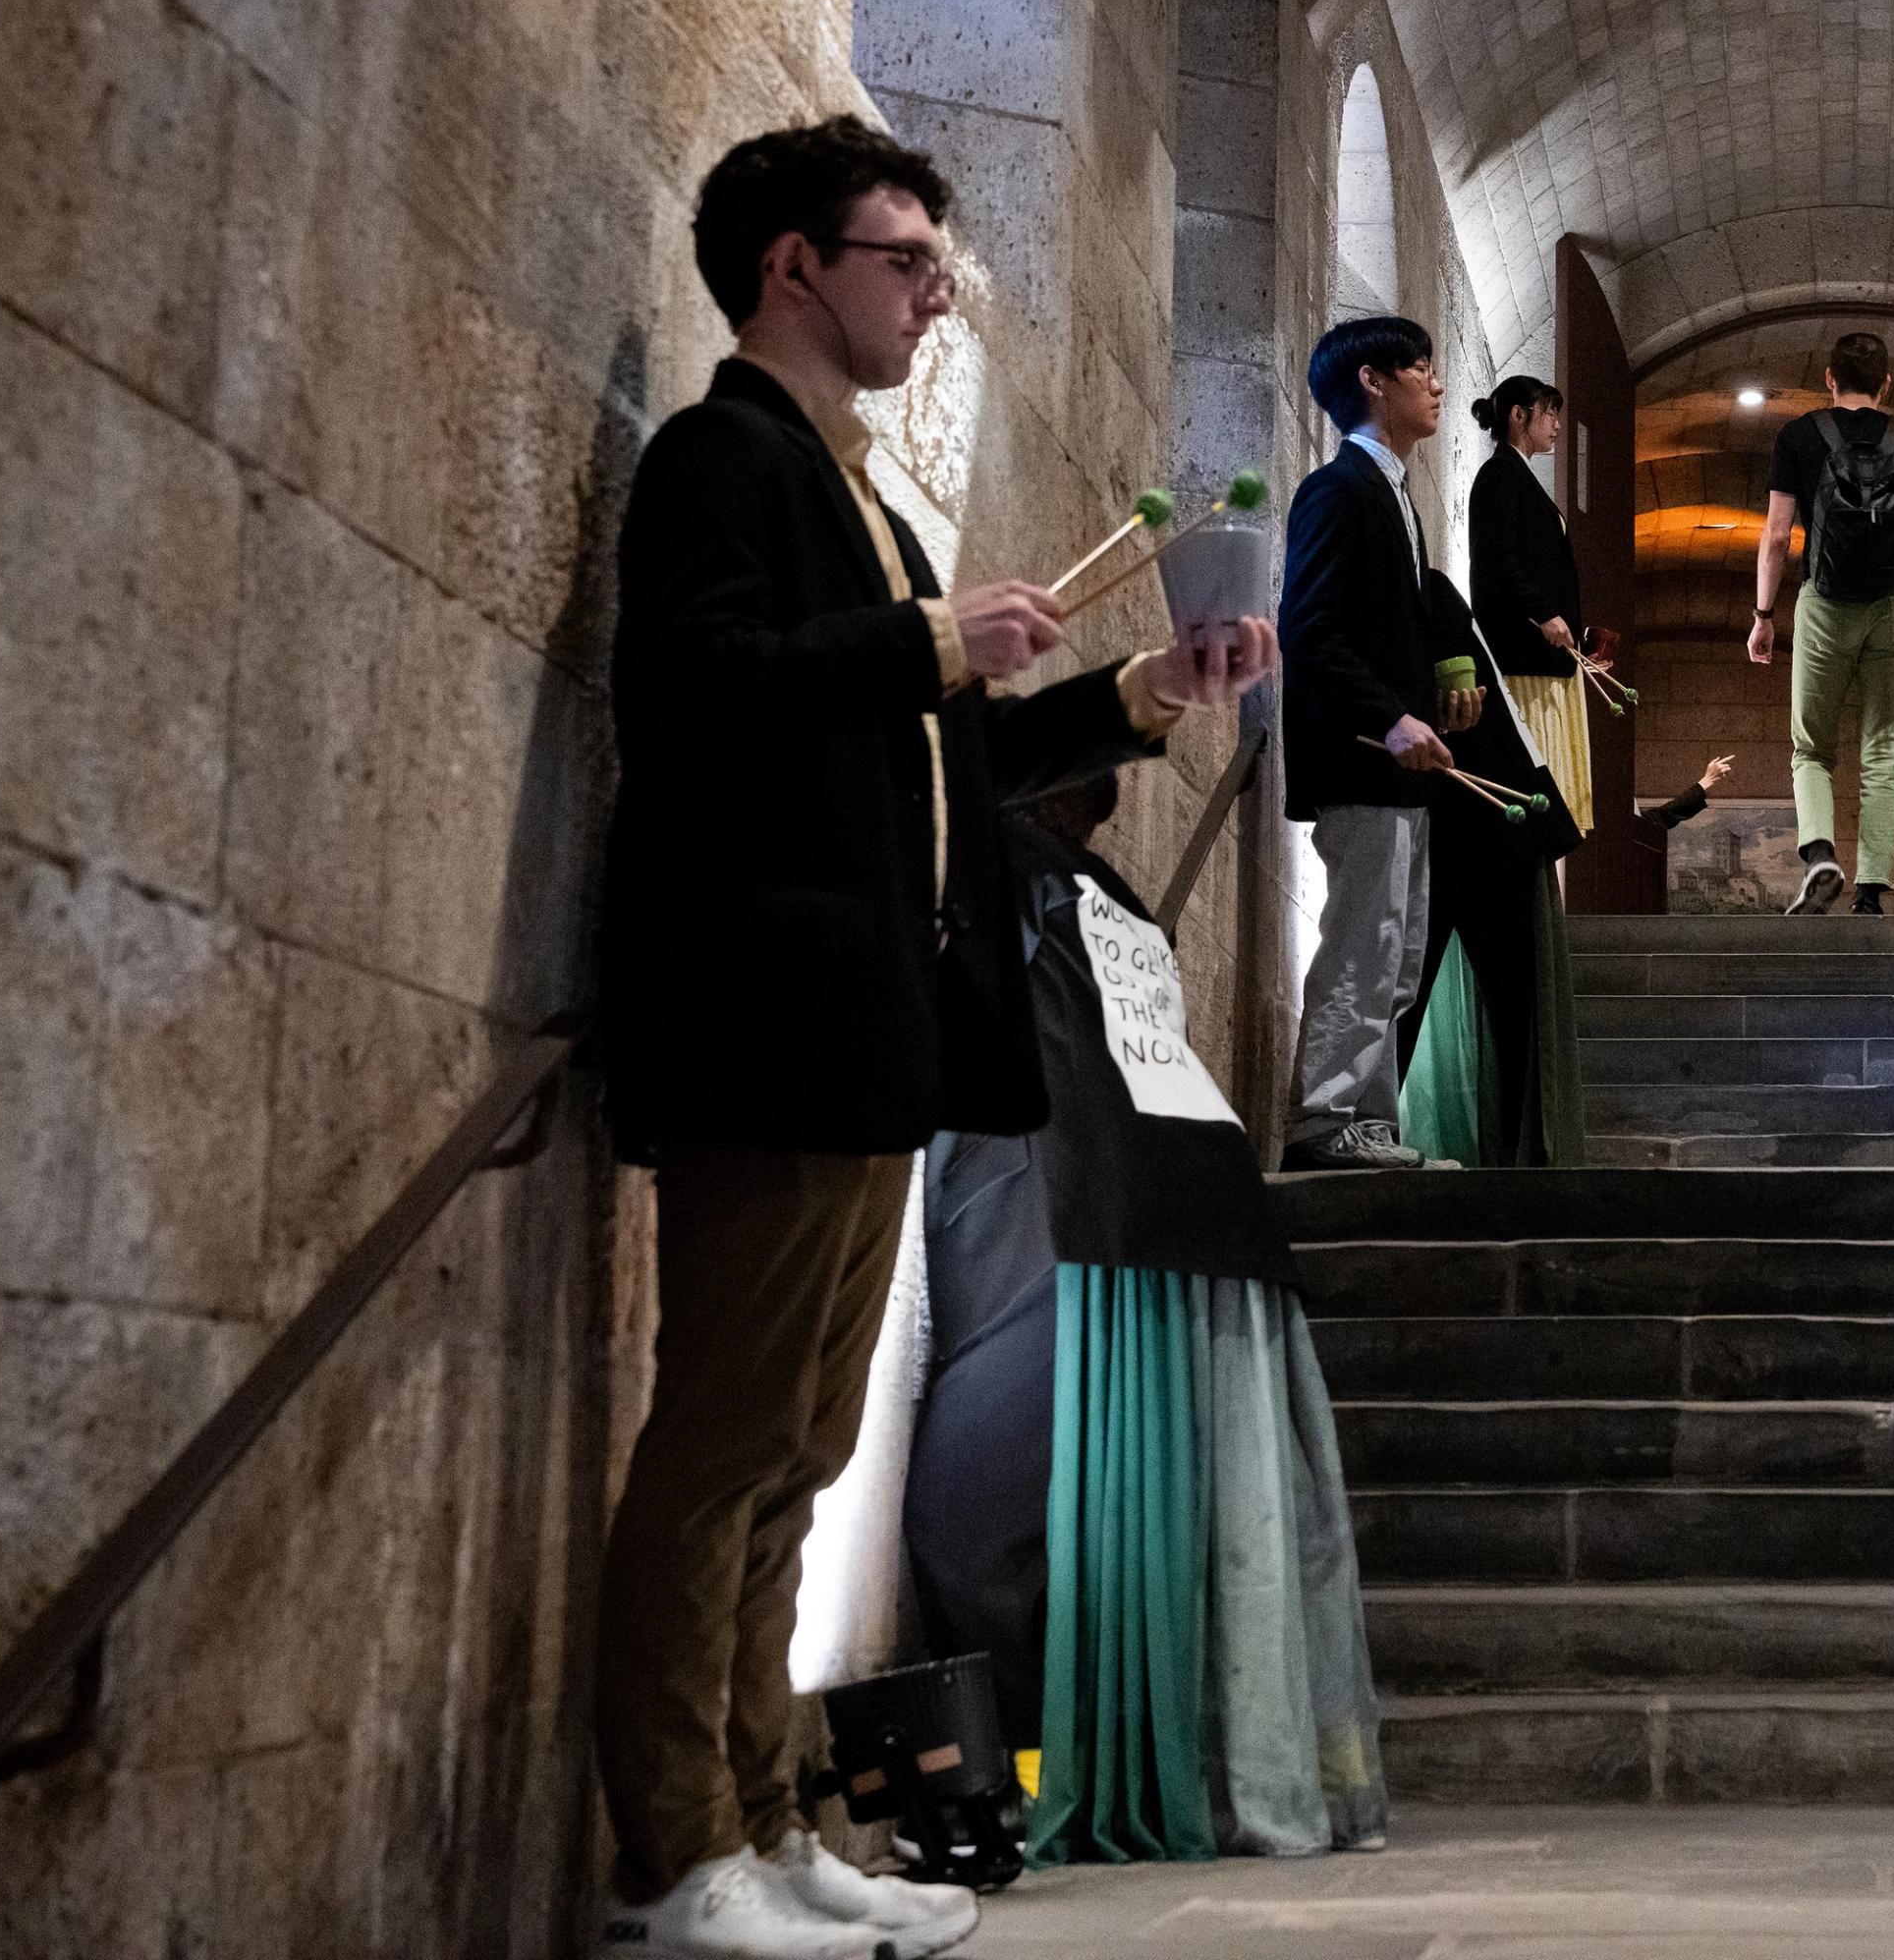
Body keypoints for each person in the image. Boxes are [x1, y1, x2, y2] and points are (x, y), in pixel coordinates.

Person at [597, 116, 1260, 1960]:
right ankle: (675, 1857)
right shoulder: (723, 457)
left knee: (800, 1453)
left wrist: (1136, 694)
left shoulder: (867, 501)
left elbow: (947, 755)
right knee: (722, 1448)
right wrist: (923, 642)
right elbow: (693, 691)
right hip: (766, 1024)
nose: (936, 293)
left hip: (867, 1036)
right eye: (907, 260)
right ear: (794, 266)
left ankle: (761, 1817)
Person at [906, 768, 1384, 1868]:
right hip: (1189, 1218)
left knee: (972, 1522)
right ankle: (1126, 1770)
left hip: (1081, 1213)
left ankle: (1034, 1782)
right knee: (1140, 1529)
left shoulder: (1008, 879)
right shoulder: (1102, 895)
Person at [1277, 314, 1481, 1172]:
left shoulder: (1394, 494)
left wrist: (1437, 689)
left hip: (1399, 768)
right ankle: (1323, 1123)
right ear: (1373, 379)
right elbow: (1307, 628)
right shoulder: (1339, 489)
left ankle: (1370, 1125)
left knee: (1395, 954)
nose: (1437, 383)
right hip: (1361, 759)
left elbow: (1394, 621)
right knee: (1364, 942)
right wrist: (1391, 719)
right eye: (1421, 368)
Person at [1749, 331, 1894, 914]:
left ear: (1829, 379)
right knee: (1883, 750)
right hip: (1893, 609)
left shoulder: (1798, 436)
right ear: (1886, 383)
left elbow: (1775, 538)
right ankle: (1871, 894)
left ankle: (1820, 855)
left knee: (1812, 748)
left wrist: (1763, 615)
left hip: (1824, 607)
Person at [1395, 571, 1586, 1167]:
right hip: (1471, 823)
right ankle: (1522, 1160)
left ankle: (1526, 1162)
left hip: (1491, 824)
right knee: (1411, 996)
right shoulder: (1425, 593)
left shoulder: (1428, 591)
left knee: (1511, 1017)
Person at [1467, 373, 1599, 836]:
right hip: (1524, 660)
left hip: (1546, 660)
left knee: (1553, 789)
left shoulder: (1519, 475)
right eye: (1549, 412)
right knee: (1537, 782)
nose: (1557, 424)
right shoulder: (1499, 474)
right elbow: (1495, 563)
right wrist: (1543, 613)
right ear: (1518, 416)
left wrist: (1573, 629)